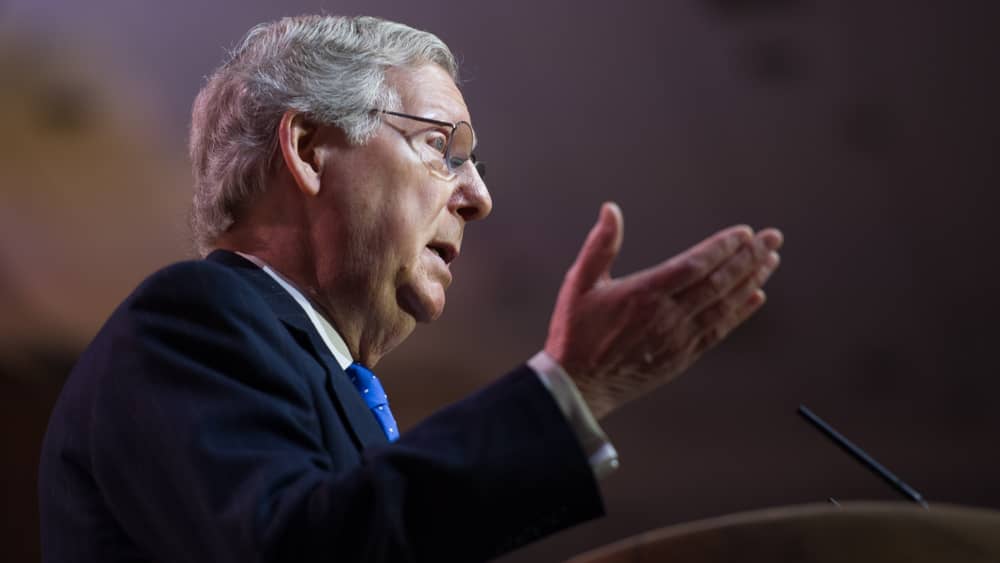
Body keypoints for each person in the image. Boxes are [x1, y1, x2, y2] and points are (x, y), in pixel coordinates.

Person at [39, 14, 783, 563]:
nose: (479, 197)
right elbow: (302, 550)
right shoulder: (193, 321)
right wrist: (569, 389)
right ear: (308, 150)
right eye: (441, 147)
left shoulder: (324, 384)